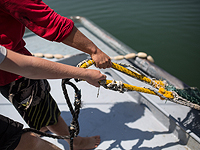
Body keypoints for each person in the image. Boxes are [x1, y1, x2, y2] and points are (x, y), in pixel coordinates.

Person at [0, 0, 112, 149]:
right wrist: (94, 53)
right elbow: (48, 22)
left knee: (34, 106)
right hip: (10, 68)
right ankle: (74, 142)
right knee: (41, 107)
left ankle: (42, 126)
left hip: (7, 61)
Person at [0, 46, 106, 150]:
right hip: (14, 72)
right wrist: (85, 74)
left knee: (39, 105)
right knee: (44, 111)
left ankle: (42, 126)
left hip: (14, 61)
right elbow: (30, 68)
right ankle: (75, 142)